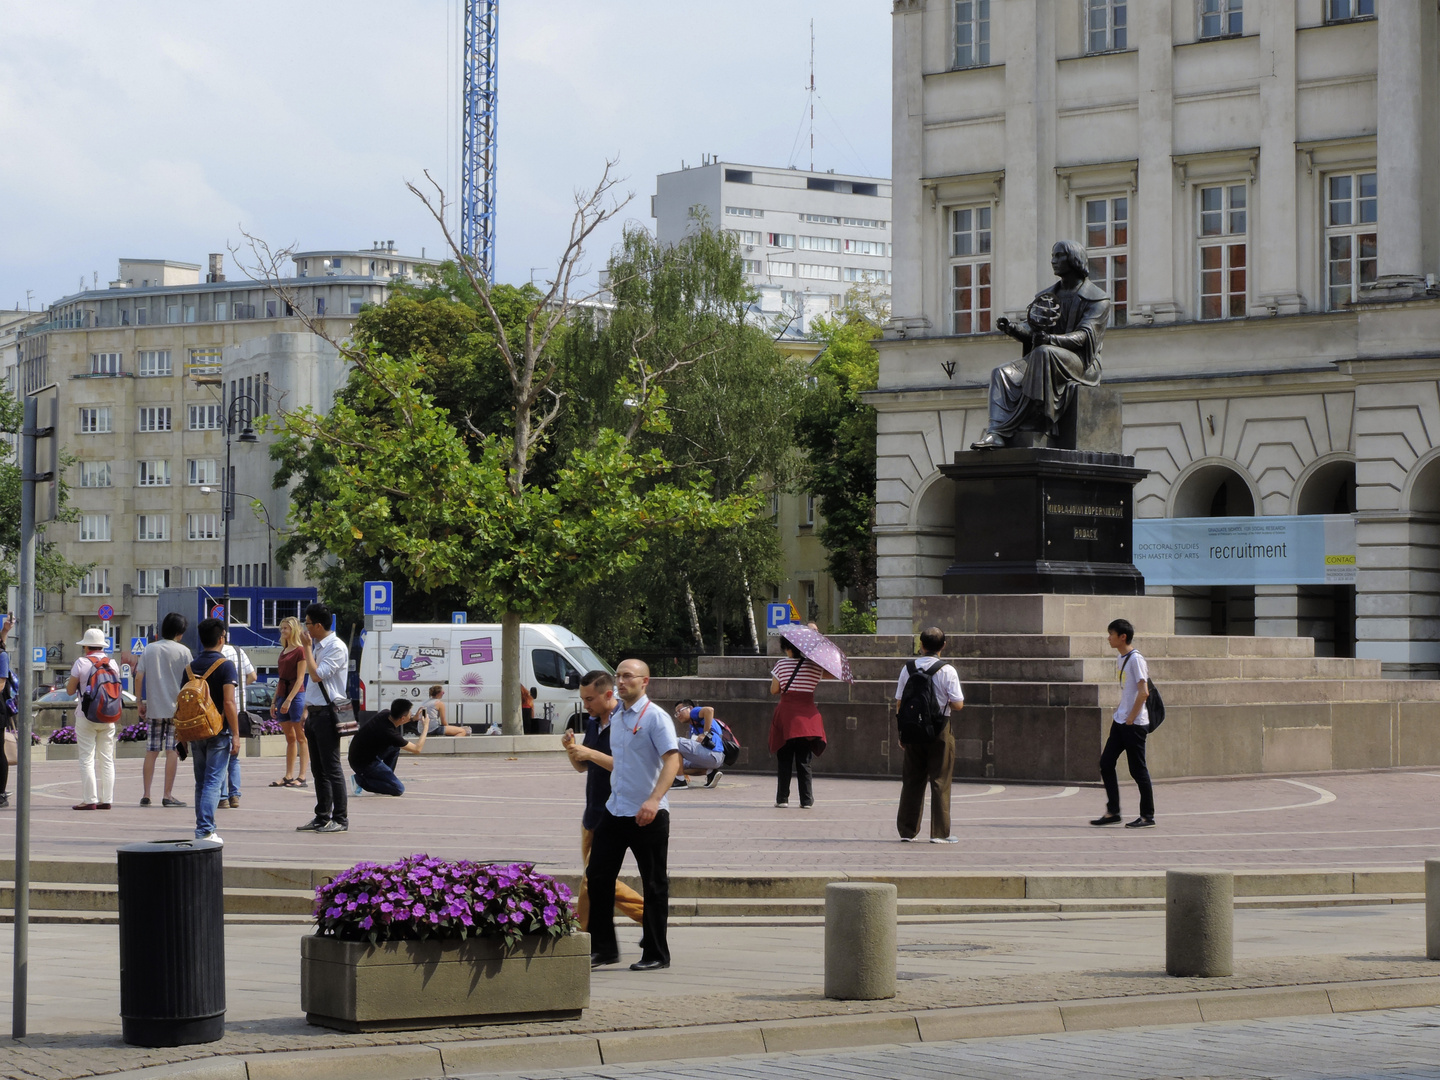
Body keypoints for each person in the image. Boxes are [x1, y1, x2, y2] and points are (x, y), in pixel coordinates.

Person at [584, 659, 680, 972]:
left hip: (648, 814)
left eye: (628, 676)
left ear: (645, 681)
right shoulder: (617, 717)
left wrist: (654, 799)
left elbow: (673, 761)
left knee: (654, 884)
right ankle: (604, 948)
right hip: (616, 810)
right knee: (597, 876)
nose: (621, 681)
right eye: (618, 676)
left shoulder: (655, 717)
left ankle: (656, 953)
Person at [970, 240, 1111, 450]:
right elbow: (1032, 327)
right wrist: (1013, 329)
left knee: (1043, 353)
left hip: (1081, 364)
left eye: (1059, 256)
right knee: (1001, 373)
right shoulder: (1047, 296)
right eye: (1053, 256)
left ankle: (1040, 422)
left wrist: (1050, 340)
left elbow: (1085, 336)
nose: (1053, 261)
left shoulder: (1097, 298)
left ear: (1074, 259)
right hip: (1046, 359)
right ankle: (997, 432)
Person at [561, 670, 645, 934]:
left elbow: (627, 767)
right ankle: (586, 933)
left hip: (614, 813)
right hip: (592, 814)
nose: (586, 705)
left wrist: (590, 753)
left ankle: (649, 915)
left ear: (608, 694)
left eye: (590, 699)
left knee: (593, 878)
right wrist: (572, 750)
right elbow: (582, 767)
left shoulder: (625, 721)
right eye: (583, 699)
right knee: (592, 878)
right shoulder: (594, 722)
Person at [893, 627, 966, 844]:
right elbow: (958, 704)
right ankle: (939, 833)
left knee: (912, 780)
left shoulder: (908, 668)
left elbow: (899, 701)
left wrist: (902, 732)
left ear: (921, 645)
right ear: (943, 646)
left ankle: (907, 830)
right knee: (940, 780)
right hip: (940, 729)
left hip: (913, 729)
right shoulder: (947, 670)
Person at [1092, 618, 1155, 829]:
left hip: (1134, 724)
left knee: (1138, 770)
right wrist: (1122, 714)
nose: (1108, 638)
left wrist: (1130, 718)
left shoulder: (1136, 659)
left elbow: (1143, 692)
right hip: (1121, 721)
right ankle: (1113, 812)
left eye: (1111, 634)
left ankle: (1147, 816)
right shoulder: (1121, 659)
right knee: (1106, 763)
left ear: (1122, 637)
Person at [296, 602, 351, 834]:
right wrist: (306, 708)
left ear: (318, 625)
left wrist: (307, 649)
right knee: (318, 769)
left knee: (332, 767)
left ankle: (340, 818)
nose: (305, 628)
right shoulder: (318, 646)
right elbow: (313, 685)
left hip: (329, 714)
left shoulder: (335, 647)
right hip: (315, 713)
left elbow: (317, 675)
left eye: (307, 623)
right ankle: (322, 816)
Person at [187, 617, 240, 844]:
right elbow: (229, 702)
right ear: (222, 638)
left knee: (201, 782)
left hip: (196, 730)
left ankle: (203, 827)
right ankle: (205, 830)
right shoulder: (226, 665)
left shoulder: (190, 667)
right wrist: (236, 733)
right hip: (219, 731)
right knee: (213, 782)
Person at [135, 613, 192, 808]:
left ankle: (146, 794)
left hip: (154, 708)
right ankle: (168, 795)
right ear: (179, 632)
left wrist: (139, 702)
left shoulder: (149, 649)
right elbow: (191, 680)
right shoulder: (184, 651)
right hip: (177, 709)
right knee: (172, 752)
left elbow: (138, 676)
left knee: (151, 751)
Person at [768, 637, 829, 809]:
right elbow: (826, 677)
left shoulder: (781, 665)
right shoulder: (814, 667)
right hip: (808, 719)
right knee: (804, 760)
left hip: (787, 717)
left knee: (785, 759)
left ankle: (782, 799)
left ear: (786, 647)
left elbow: (774, 690)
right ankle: (807, 800)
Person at [66, 628, 120, 811]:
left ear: (86, 646)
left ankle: (90, 799)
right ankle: (107, 799)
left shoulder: (81, 663)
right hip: (108, 716)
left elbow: (70, 691)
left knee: (87, 758)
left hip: (86, 715)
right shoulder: (112, 663)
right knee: (107, 759)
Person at [348, 699, 425, 796]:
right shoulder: (389, 732)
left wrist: (413, 719)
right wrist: (425, 727)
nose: (411, 715)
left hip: (359, 754)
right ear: (402, 718)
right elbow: (417, 749)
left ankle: (381, 780)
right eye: (410, 714)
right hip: (363, 764)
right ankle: (359, 780)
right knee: (398, 789)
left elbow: (399, 721)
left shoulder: (385, 713)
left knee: (395, 747)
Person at [269, 615, 309, 788]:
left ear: (293, 629)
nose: (282, 631)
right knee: (289, 737)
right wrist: (274, 701)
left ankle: (302, 776)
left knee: (301, 737)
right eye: (282, 628)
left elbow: (300, 679)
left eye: (285, 628)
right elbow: (280, 678)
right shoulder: (284, 650)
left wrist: (289, 700)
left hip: (296, 694)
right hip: (283, 693)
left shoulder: (300, 651)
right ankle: (288, 775)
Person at [216, 639, 256, 809]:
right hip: (238, 710)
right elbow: (253, 676)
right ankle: (235, 796)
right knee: (234, 757)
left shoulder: (215, 655)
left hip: (220, 711)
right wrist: (238, 688)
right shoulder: (239, 652)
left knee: (220, 756)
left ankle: (223, 796)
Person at [670, 699, 725, 789]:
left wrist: (705, 733)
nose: (678, 715)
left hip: (713, 753)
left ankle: (680, 781)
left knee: (673, 741)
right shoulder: (692, 728)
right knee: (678, 764)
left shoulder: (694, 712)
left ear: (690, 708)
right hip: (712, 758)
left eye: (680, 710)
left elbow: (709, 710)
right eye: (676, 713)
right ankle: (710, 772)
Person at [0, 614, 14, 809]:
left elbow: (1, 683)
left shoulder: (2, 656)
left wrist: (4, 632)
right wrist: (5, 631)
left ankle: (1, 793)